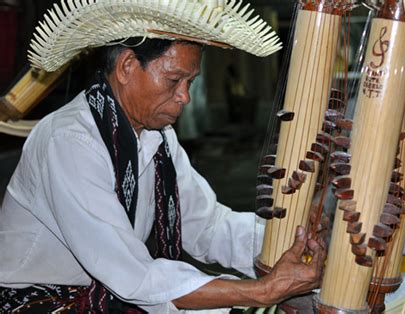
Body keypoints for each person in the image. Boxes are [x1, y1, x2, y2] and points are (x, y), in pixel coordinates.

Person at [0, 1, 326, 313]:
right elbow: (133, 275)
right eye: (174, 80)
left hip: (105, 296)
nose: (184, 96)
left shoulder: (159, 137)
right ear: (127, 66)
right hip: (40, 304)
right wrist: (263, 291)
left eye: (190, 82)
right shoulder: (70, 141)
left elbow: (207, 226)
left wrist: (287, 240)